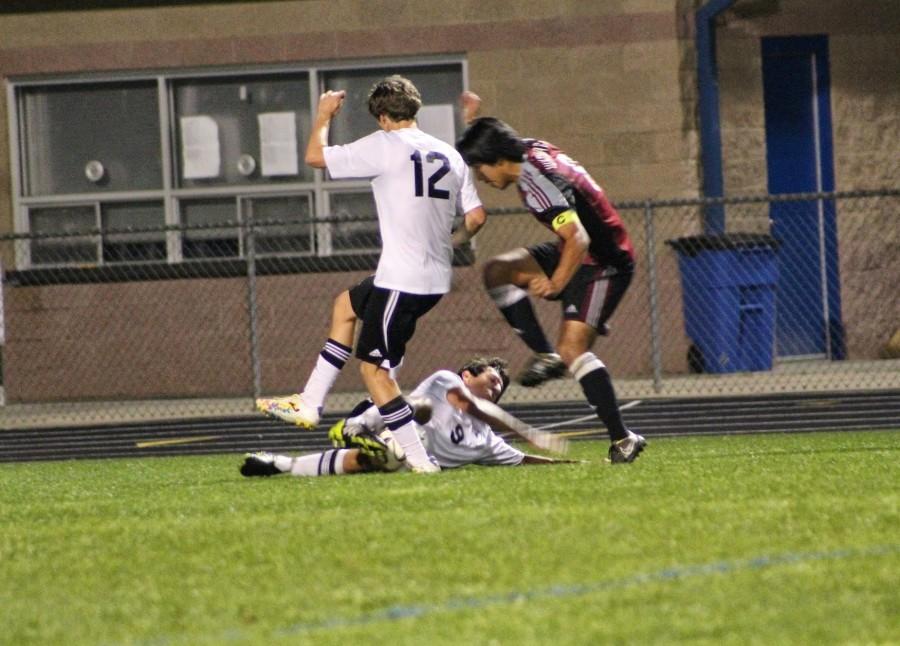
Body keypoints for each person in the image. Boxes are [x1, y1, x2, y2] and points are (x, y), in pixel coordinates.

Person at [256, 77, 487, 473]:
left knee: (374, 371)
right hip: (432, 279)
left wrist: (323, 115)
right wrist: (448, 240)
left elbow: (316, 156)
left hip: (403, 279)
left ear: (383, 118)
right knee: (346, 305)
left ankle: (419, 460)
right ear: (414, 110)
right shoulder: (449, 153)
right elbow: (476, 218)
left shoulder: (385, 145)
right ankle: (310, 402)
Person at [454, 93, 646, 464]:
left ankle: (623, 439)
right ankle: (546, 354)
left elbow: (579, 237)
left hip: (605, 261)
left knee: (573, 350)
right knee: (497, 272)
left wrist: (557, 284)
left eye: (481, 169)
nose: (480, 177)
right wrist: (473, 123)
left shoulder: (537, 184)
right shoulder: (526, 151)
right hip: (579, 250)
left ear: (498, 161)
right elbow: (498, 138)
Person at [242, 357, 572, 477]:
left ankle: (280, 464)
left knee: (382, 461)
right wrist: (527, 430)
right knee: (422, 408)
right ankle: (362, 423)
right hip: (388, 421)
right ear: (468, 375)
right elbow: (471, 405)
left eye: (501, 388)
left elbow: (524, 461)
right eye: (492, 379)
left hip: (399, 456)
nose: (497, 388)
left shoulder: (485, 441)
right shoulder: (448, 381)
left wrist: (581, 467)